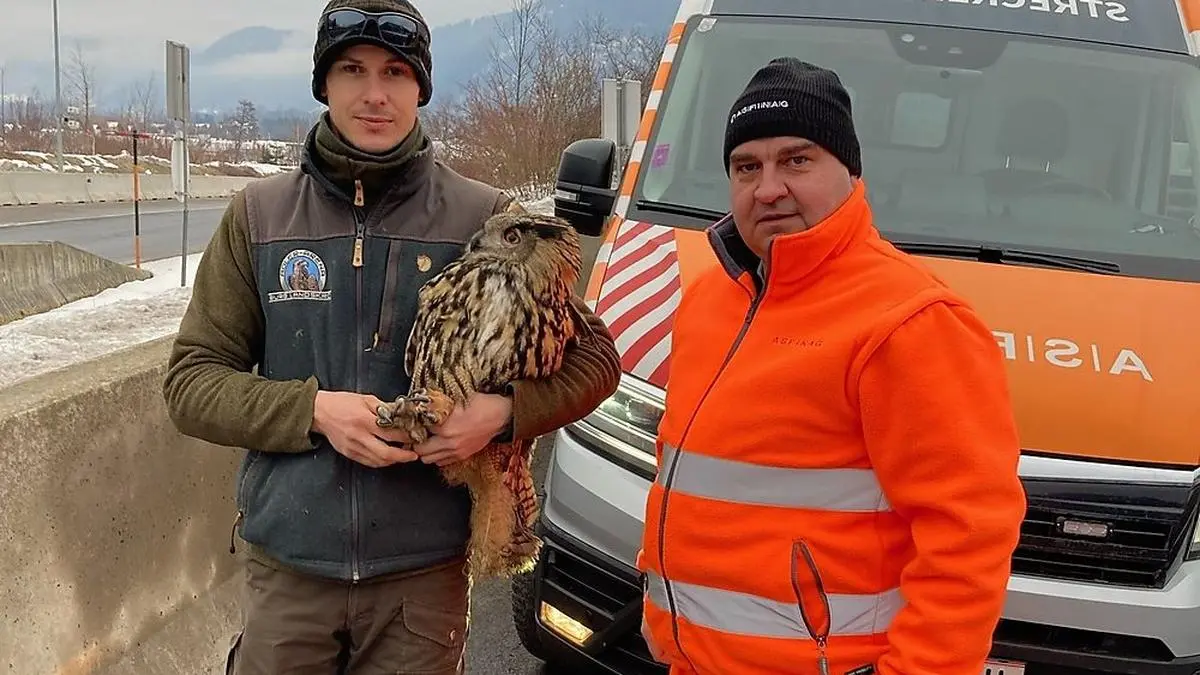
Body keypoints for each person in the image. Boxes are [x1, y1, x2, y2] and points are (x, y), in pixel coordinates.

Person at [161, 1, 621, 673]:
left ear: (420, 89)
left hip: (422, 581)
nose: (375, 93)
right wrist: (315, 411)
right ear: (324, 84)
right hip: (290, 570)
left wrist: (502, 415)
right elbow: (191, 382)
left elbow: (599, 359)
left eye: (397, 73)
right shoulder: (259, 217)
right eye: (353, 70)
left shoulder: (490, 219)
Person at [636, 57, 1027, 675]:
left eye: (797, 159)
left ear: (849, 170)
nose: (768, 188)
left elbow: (968, 541)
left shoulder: (912, 319)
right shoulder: (711, 298)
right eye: (747, 167)